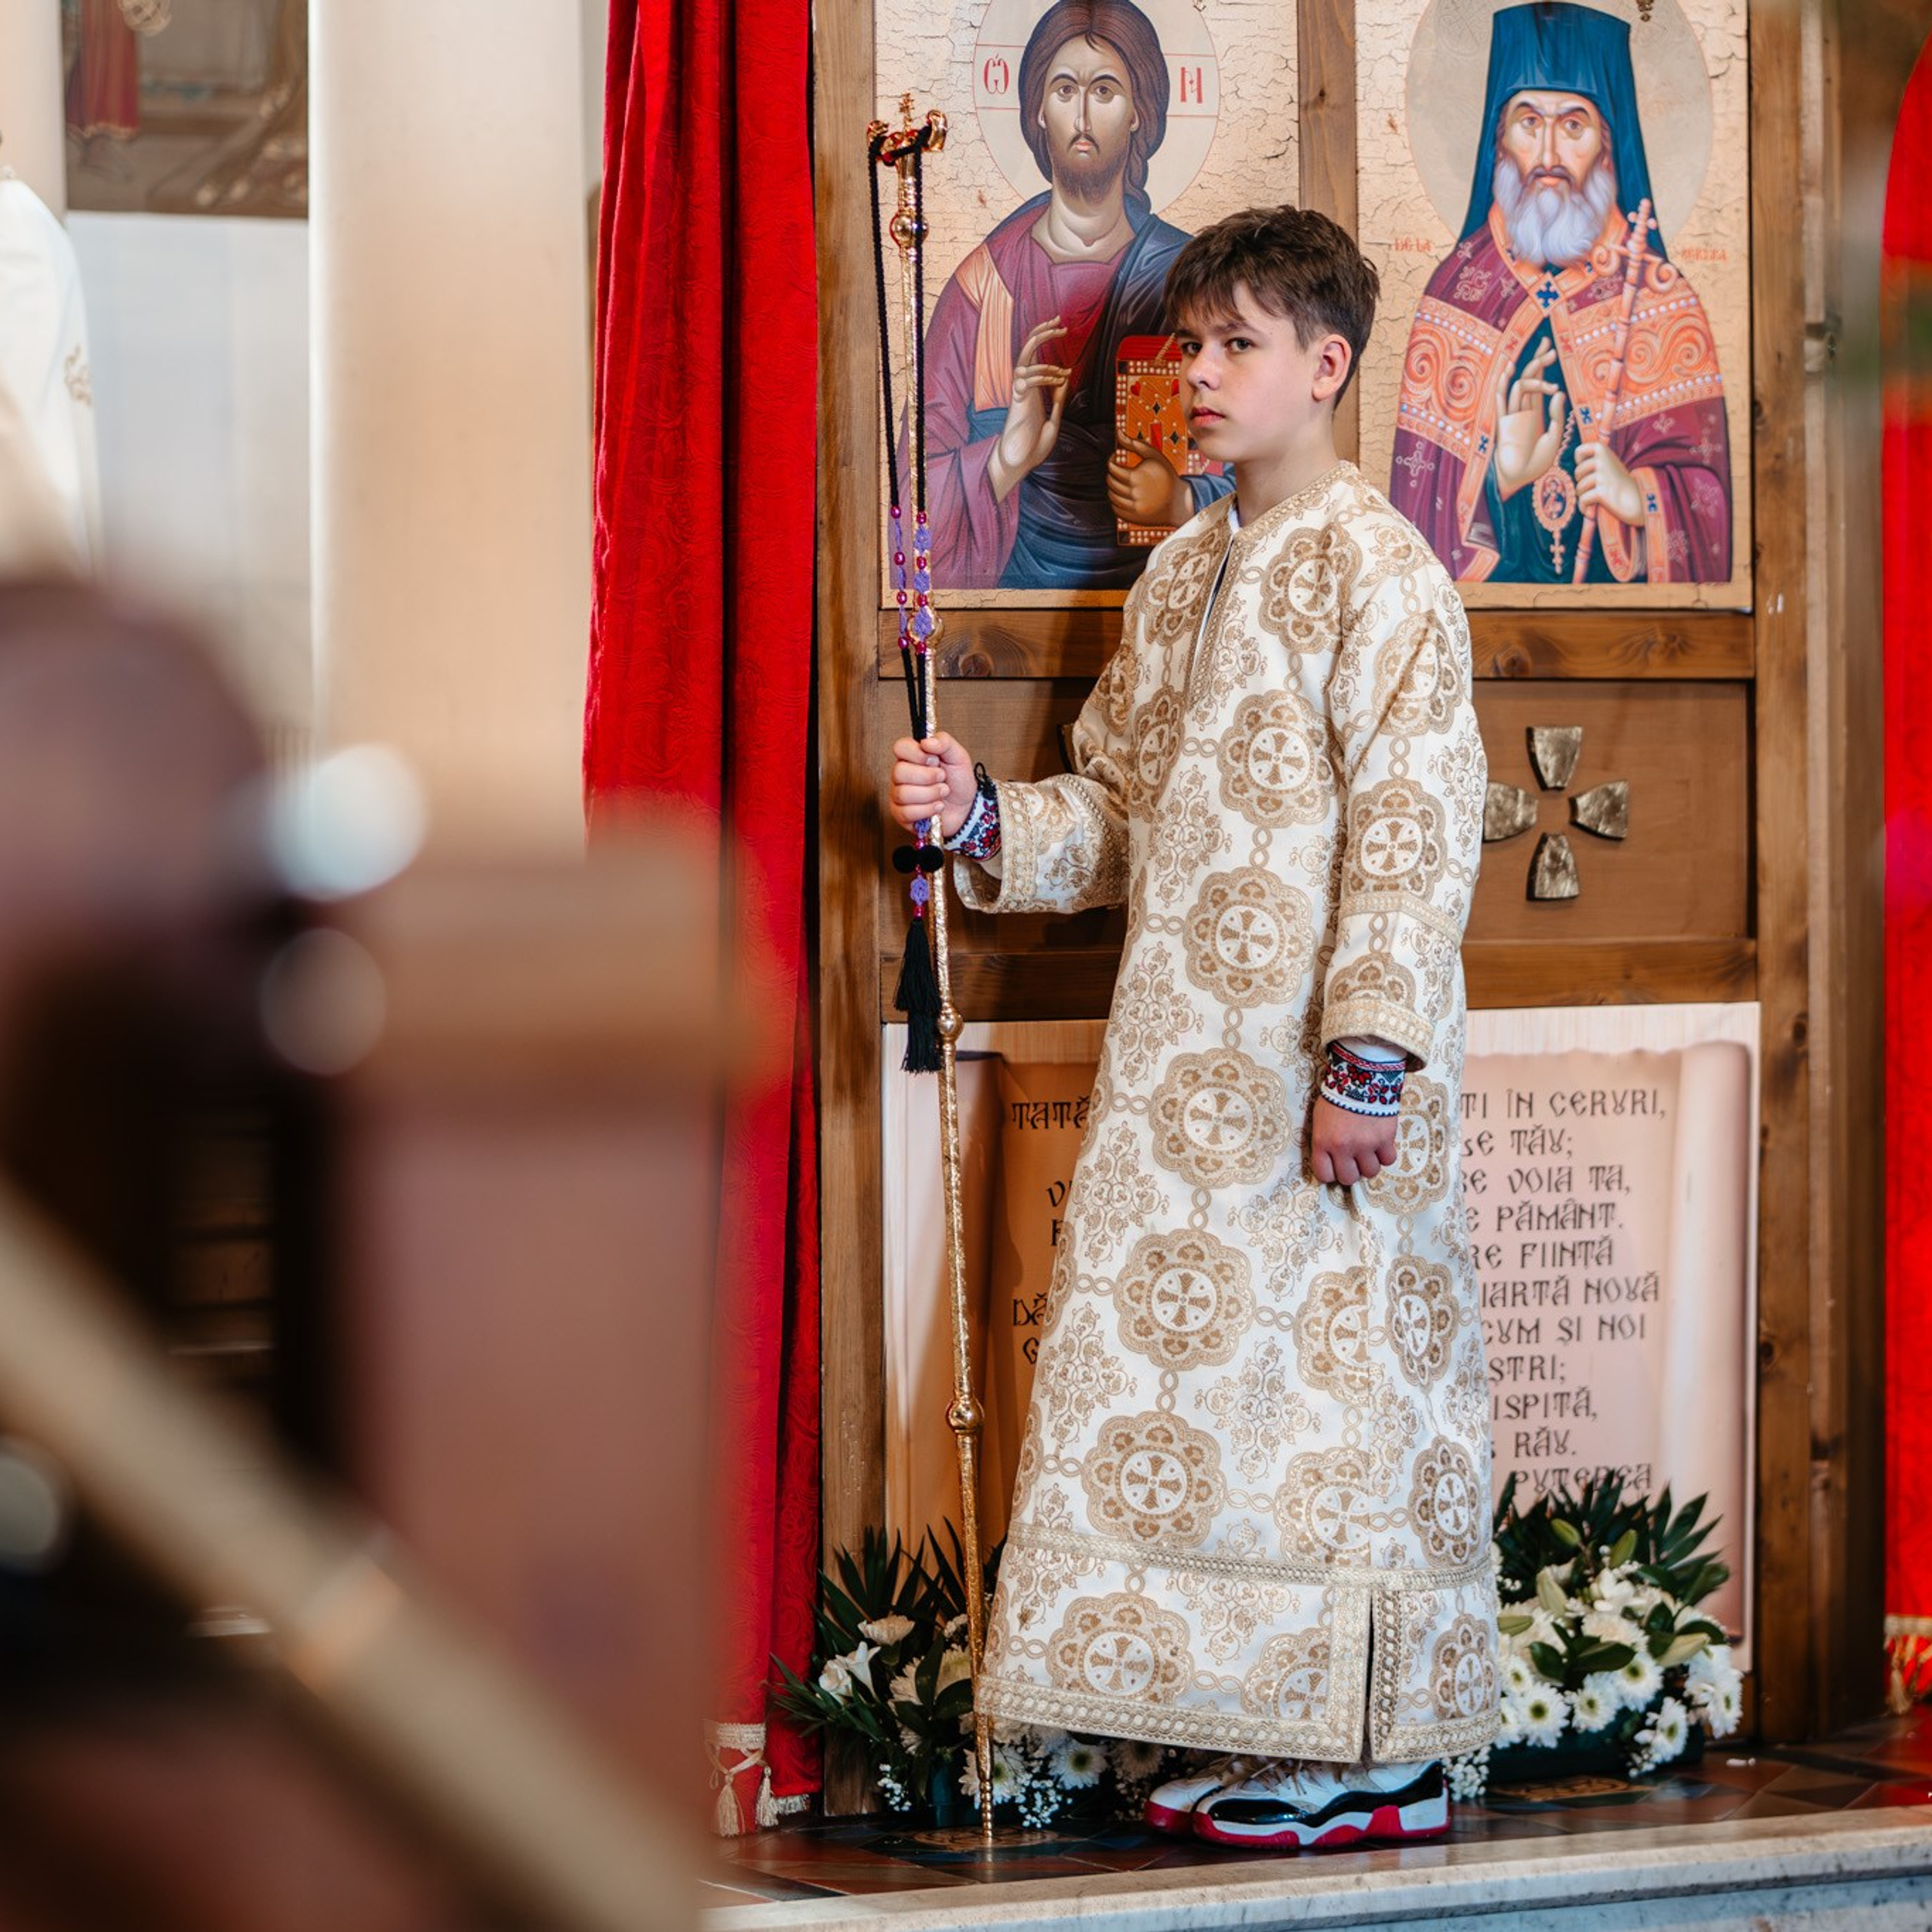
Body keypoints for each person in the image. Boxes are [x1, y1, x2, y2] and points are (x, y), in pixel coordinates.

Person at [889, 205, 1497, 1850]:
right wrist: (982, 814)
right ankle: (1248, 1720)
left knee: (1335, 1408)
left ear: (1327, 363)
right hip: (1179, 1081)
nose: (1200, 376)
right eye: (1188, 345)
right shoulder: (1176, 579)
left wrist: (1366, 1060)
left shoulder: (1382, 571)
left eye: (1238, 345)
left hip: (1319, 1079)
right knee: (1218, 1420)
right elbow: (1115, 810)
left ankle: (1368, 1751)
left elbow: (1417, 830)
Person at [1388, 1, 1730, 586]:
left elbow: (1710, 507)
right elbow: (1413, 524)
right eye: (1529, 123)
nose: (1548, 156)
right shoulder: (1457, 295)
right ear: (1499, 141)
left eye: (1573, 125)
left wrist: (1639, 497)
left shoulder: (1659, 300)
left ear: (1609, 144)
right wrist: (1498, 478)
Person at [918, 0, 1232, 590]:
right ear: (1038, 109)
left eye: (1105, 90)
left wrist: (1182, 498)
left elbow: (1260, 466)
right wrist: (1005, 459)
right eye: (1065, 90)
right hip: (1009, 609)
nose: (1083, 114)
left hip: (1168, 599)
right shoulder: (985, 286)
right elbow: (914, 497)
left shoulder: (1192, 279)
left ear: (1139, 112)